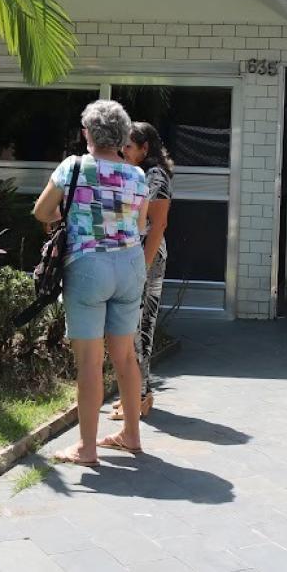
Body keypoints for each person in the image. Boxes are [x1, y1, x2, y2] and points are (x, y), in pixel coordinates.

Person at [34, 100, 150, 466]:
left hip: (88, 266)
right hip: (130, 266)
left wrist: (67, 218)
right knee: (126, 356)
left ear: (88, 133)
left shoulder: (74, 166)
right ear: (122, 135)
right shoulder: (138, 175)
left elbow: (41, 211)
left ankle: (86, 449)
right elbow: (141, 224)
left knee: (89, 363)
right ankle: (131, 434)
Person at [113, 121, 173, 422]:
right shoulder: (137, 174)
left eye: (128, 146)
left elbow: (158, 226)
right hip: (134, 256)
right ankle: (139, 393)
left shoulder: (156, 176)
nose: (123, 150)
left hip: (147, 258)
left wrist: (143, 266)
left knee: (139, 328)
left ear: (144, 148)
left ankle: (137, 397)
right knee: (134, 328)